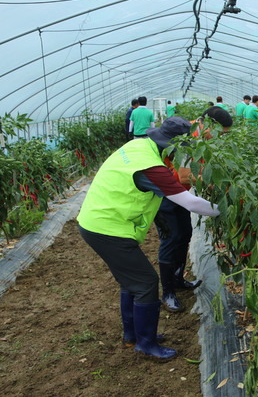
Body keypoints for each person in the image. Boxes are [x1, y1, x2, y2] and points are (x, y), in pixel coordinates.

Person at [77, 116, 221, 360]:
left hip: (99, 222)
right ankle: (146, 344)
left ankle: (133, 335)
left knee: (132, 282)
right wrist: (226, 209)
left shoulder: (138, 147)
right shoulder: (151, 167)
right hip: (108, 229)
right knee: (146, 283)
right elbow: (191, 202)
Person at [156, 107, 232, 312]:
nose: (220, 138)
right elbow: (184, 175)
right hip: (163, 194)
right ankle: (168, 293)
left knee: (184, 234)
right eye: (220, 133)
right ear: (208, 125)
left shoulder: (202, 136)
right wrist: (214, 183)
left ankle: (178, 279)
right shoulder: (185, 137)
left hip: (180, 194)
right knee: (171, 239)